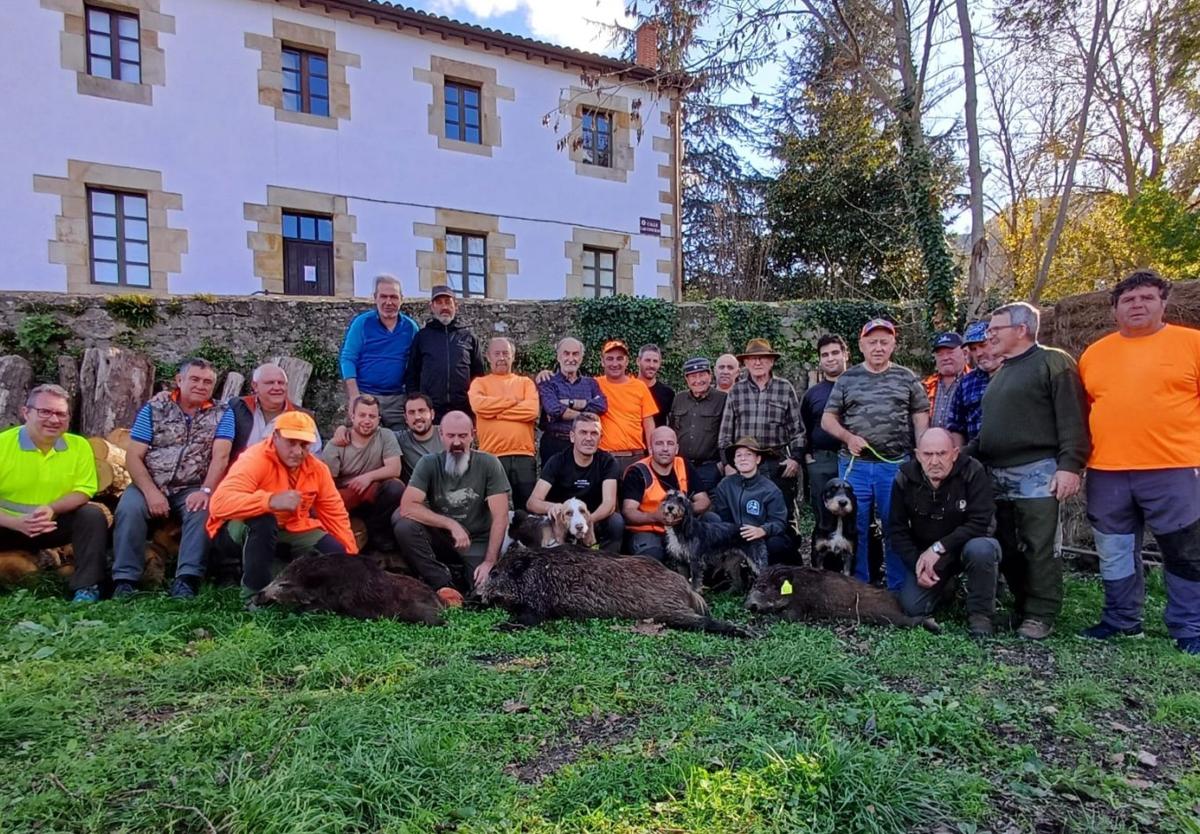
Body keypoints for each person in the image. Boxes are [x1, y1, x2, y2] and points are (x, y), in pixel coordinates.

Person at [1076, 270, 1200, 655]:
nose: (1137, 305)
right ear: (1114, 309)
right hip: (1108, 470)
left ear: (1163, 302)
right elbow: (1085, 411)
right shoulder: (1094, 354)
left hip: (1175, 467)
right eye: (1128, 300)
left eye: (1146, 297)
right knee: (1113, 550)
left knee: (1184, 549)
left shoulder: (1191, 344)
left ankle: (1189, 627)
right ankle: (1121, 620)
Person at [968, 301, 1089, 641]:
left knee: (1039, 545)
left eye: (996, 329)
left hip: (1038, 471)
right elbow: (991, 429)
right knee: (1005, 543)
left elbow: (1072, 418)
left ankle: (1040, 613)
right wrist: (959, 457)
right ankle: (1021, 607)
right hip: (997, 474)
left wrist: (1070, 466)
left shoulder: (1052, 362)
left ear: (1021, 329)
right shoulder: (1003, 371)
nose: (989, 336)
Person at [821, 318, 930, 591]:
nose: (878, 347)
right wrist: (848, 437)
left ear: (893, 344)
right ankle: (859, 584)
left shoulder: (906, 377)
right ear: (861, 346)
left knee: (894, 526)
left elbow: (920, 417)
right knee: (854, 527)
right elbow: (827, 420)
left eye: (884, 342)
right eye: (872, 342)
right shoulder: (848, 379)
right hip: (854, 465)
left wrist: (921, 455)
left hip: (894, 467)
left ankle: (896, 586)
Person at [113, 358, 234, 599]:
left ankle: (187, 579)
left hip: (192, 486)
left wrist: (206, 491)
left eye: (208, 381)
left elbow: (221, 457)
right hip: (150, 482)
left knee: (203, 509)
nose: (201, 385)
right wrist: (150, 492)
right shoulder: (154, 409)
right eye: (195, 379)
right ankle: (124, 580)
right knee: (128, 509)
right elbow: (134, 456)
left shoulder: (223, 413)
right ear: (179, 380)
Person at [207, 411, 357, 597]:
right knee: (264, 521)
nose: (298, 451)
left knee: (336, 551)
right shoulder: (254, 459)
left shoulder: (318, 469)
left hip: (290, 530)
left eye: (304, 445)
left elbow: (336, 516)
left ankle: (291, 579)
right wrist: (269, 501)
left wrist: (353, 561)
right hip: (239, 531)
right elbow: (218, 504)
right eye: (291, 443)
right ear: (275, 437)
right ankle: (254, 596)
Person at [0, 385, 106, 603]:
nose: (54, 419)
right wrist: (15, 522)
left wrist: (52, 509)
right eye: (45, 412)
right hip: (7, 526)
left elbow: (84, 490)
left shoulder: (79, 446)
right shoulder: (3, 445)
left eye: (60, 413)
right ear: (26, 412)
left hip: (52, 524)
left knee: (92, 516)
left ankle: (86, 587)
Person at [891, 428, 1001, 637]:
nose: (934, 461)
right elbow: (897, 530)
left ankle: (981, 615)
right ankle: (945, 587)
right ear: (917, 455)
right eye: (928, 454)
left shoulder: (972, 471)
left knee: (982, 549)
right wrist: (918, 563)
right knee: (911, 607)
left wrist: (938, 548)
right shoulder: (904, 478)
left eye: (941, 454)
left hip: (965, 547)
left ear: (955, 453)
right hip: (929, 557)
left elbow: (981, 522)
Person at [394, 411, 510, 599]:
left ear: (473, 434)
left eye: (463, 436)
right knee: (404, 524)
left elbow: (501, 517)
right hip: (442, 538)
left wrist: (490, 561)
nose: (456, 442)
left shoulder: (489, 463)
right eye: (451, 436)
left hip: (477, 541)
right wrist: (451, 525)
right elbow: (408, 506)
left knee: (482, 595)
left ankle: (460, 581)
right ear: (441, 435)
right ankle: (444, 585)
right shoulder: (428, 463)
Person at [717, 339, 804, 537]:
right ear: (745, 363)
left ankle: (786, 562)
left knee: (784, 516)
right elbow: (725, 434)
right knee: (747, 514)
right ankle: (747, 562)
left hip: (777, 463)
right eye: (752, 359)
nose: (757, 363)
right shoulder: (736, 391)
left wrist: (795, 459)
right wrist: (728, 464)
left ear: (771, 361)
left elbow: (798, 430)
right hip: (745, 462)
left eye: (762, 358)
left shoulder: (785, 388)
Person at [528, 412, 624, 552]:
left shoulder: (608, 462)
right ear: (572, 436)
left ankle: (605, 564)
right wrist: (552, 507)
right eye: (583, 432)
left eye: (594, 433)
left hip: (592, 518)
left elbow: (609, 505)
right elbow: (532, 502)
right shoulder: (557, 461)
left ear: (600, 438)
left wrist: (586, 521)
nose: (589, 438)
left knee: (616, 522)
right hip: (564, 521)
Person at [320, 394, 405, 553]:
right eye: (362, 415)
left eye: (372, 416)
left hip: (373, 495)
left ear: (378, 419)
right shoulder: (336, 444)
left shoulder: (385, 435)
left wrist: (368, 477)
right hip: (346, 496)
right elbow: (327, 483)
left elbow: (395, 468)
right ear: (352, 417)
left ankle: (377, 533)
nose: (367, 420)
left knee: (395, 487)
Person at [338, 274, 420, 428]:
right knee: (365, 447)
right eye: (383, 296)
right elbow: (348, 359)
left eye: (394, 297)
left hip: (398, 399)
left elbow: (417, 363)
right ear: (375, 298)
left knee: (399, 446)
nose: (389, 302)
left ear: (401, 299)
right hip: (366, 397)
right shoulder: (361, 324)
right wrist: (355, 397)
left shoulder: (410, 328)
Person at [468, 337, 539, 510]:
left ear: (513, 356)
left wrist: (495, 412)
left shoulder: (525, 383)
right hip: (491, 456)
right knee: (492, 511)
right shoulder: (480, 383)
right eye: (497, 353)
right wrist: (513, 401)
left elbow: (531, 411)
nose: (501, 357)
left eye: (506, 353)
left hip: (524, 455)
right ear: (488, 357)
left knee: (527, 510)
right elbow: (478, 405)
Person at [622, 426, 712, 561]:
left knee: (712, 519)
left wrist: (683, 512)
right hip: (648, 530)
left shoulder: (683, 464)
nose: (665, 448)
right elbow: (628, 511)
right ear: (650, 448)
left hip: (681, 527)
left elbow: (704, 500)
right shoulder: (637, 471)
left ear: (676, 449)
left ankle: (712, 577)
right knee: (652, 556)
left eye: (670, 444)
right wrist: (654, 517)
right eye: (659, 443)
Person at [404, 285, 485, 420]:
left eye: (448, 302)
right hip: (431, 412)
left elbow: (479, 376)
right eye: (439, 303)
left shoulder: (469, 337)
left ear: (456, 306)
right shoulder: (422, 337)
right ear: (432, 307)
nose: (444, 307)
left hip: (463, 410)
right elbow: (412, 374)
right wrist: (418, 404)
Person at [710, 436, 791, 565]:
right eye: (739, 455)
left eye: (749, 454)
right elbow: (722, 517)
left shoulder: (770, 490)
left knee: (777, 544)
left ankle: (772, 578)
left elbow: (779, 522)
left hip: (761, 537)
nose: (743, 458)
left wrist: (762, 530)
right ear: (734, 461)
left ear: (757, 459)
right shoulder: (725, 486)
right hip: (735, 536)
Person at [227, 362, 321, 459]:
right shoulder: (237, 407)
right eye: (270, 383)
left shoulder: (303, 417)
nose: (277, 388)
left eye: (281, 383)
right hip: (240, 471)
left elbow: (314, 456)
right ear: (255, 386)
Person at [536, 337, 607, 465]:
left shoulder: (591, 383)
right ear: (558, 357)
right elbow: (554, 409)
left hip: (584, 445)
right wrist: (586, 414)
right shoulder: (548, 381)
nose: (571, 358)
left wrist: (567, 403)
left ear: (581, 358)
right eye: (566, 353)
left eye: (575, 354)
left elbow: (601, 406)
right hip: (555, 443)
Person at [801, 334, 849, 519]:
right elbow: (803, 427)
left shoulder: (860, 386)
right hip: (822, 461)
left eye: (835, 353)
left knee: (858, 513)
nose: (830, 358)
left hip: (856, 459)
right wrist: (807, 457)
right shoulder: (813, 394)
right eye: (825, 354)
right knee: (824, 514)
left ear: (845, 355)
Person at [595, 339, 658, 477]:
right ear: (602, 361)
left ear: (627, 361)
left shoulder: (639, 387)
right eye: (610, 359)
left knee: (635, 497)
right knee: (608, 498)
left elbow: (648, 422)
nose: (615, 363)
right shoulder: (594, 385)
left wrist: (653, 453)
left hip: (635, 456)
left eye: (619, 358)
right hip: (604, 457)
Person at [668, 357, 727, 495]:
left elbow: (728, 433)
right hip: (681, 465)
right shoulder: (679, 399)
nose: (698, 380)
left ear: (710, 375)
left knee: (706, 506)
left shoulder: (723, 399)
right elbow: (671, 429)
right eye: (693, 376)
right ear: (686, 379)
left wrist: (722, 464)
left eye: (702, 375)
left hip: (709, 466)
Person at [947, 322, 1002, 446]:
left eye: (983, 345)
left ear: (996, 342)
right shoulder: (966, 382)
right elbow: (956, 425)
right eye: (973, 349)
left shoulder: (1016, 372)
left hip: (1017, 458)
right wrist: (961, 458)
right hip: (978, 459)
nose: (979, 353)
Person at [923, 332, 969, 429]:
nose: (945, 358)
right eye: (940, 354)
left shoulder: (974, 382)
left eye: (950, 352)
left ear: (964, 353)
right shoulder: (925, 385)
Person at [393, 393, 443, 481]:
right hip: (419, 491)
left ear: (432, 414)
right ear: (406, 418)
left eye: (422, 411)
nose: (417, 417)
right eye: (411, 412)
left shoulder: (447, 434)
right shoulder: (399, 439)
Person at [637, 344, 674, 428]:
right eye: (647, 360)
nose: (651, 365)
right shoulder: (628, 389)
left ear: (660, 363)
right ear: (638, 361)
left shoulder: (668, 393)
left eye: (655, 361)